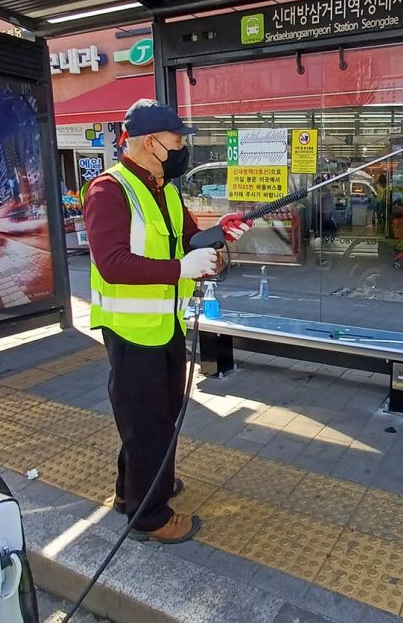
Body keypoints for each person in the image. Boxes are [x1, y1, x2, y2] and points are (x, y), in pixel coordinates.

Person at [81, 99, 250, 545]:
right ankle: (149, 517)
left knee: (162, 416)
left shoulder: (165, 188)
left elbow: (189, 237)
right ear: (152, 142)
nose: (181, 147)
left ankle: (134, 489)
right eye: (177, 139)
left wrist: (219, 232)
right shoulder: (108, 191)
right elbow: (113, 263)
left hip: (167, 324)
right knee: (146, 422)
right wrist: (182, 268)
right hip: (131, 331)